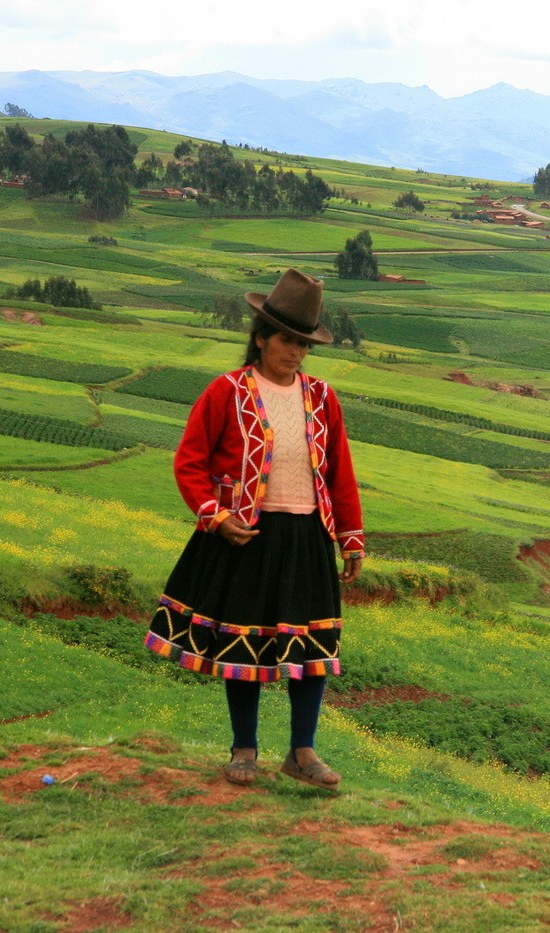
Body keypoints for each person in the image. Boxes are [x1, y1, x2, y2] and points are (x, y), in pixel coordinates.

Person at [144, 267, 364, 789]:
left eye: (303, 344)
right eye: (286, 340)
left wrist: (350, 537)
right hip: (246, 535)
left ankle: (302, 752)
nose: (295, 352)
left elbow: (340, 471)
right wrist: (215, 518)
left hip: (308, 536)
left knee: (310, 650)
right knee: (243, 646)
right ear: (261, 337)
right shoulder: (226, 393)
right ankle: (244, 748)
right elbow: (189, 462)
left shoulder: (322, 398)